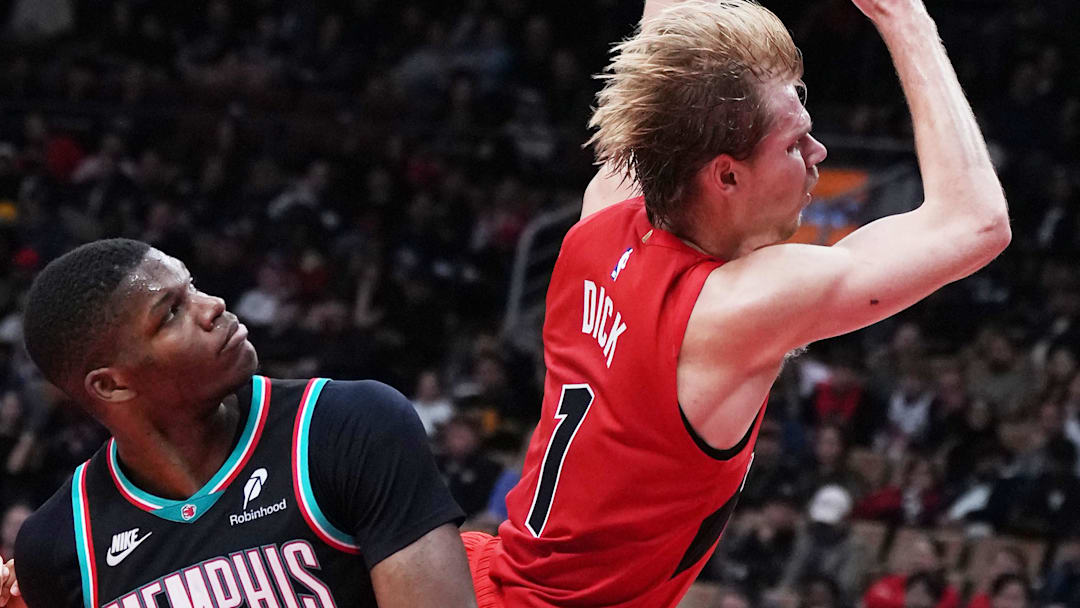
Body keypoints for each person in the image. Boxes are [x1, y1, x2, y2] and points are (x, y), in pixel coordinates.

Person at [464, 0, 1011, 605]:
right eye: (795, 144)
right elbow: (975, 223)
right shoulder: (729, 310)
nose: (819, 153)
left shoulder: (606, 210)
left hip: (489, 574)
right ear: (726, 177)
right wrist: (903, 17)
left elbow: (671, 40)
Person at [12, 239, 477, 608]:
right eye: (171, 313)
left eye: (193, 287)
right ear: (111, 385)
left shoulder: (348, 424)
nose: (213, 305)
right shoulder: (58, 545)